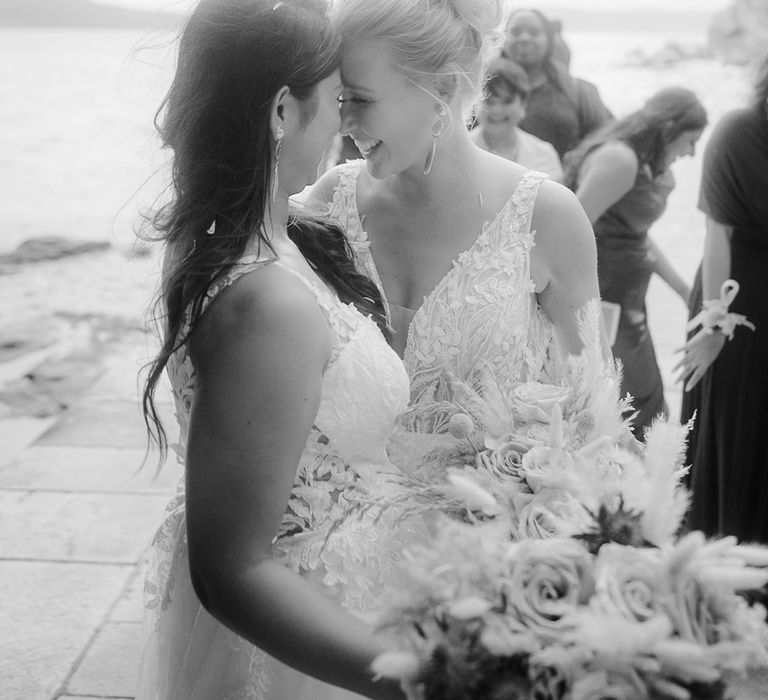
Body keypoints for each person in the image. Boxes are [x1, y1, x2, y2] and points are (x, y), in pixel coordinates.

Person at [135, 1, 413, 698]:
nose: (347, 124)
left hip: (346, 602)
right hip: (302, 652)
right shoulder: (268, 302)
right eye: (338, 101)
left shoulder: (265, 241)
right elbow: (233, 568)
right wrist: (426, 680)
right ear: (282, 112)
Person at [307, 0, 602, 408]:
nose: (343, 123)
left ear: (442, 88)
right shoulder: (328, 201)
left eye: (360, 99)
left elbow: (592, 411)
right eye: (340, 100)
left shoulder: (548, 216)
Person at [563, 87, 707, 438]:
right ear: (669, 128)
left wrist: (685, 291)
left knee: (641, 398)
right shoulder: (620, 160)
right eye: (690, 141)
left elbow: (636, 236)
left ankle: (638, 485)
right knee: (625, 399)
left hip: (629, 301)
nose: (691, 153)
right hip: (604, 301)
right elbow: (568, 231)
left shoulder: (641, 164)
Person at [678, 56, 768, 543]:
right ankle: (726, 554)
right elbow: (718, 235)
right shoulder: (738, 132)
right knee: (737, 427)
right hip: (739, 300)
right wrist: (714, 328)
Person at [502, 8, 612, 159]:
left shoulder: (580, 91)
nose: (524, 38)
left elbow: (608, 143)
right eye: (515, 32)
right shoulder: (478, 92)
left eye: (534, 32)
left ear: (549, 40)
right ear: (501, 40)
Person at [470, 55, 563, 181]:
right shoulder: (456, 151)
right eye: (490, 102)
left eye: (507, 102)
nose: (497, 110)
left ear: (523, 104)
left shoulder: (545, 154)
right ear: (475, 104)